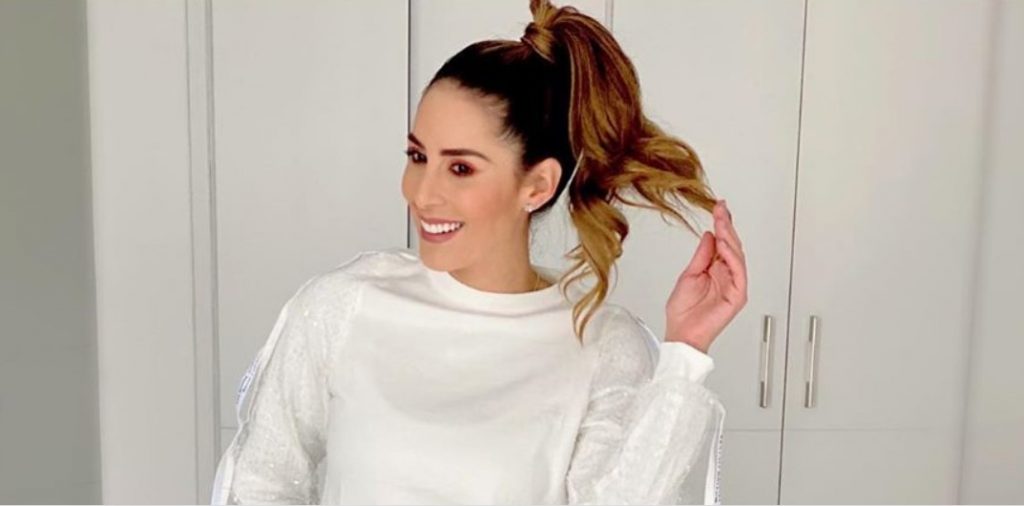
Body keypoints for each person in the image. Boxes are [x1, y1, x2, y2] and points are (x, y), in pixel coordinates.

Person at [210, 0, 747, 503]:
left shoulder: (600, 343)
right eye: (418, 156)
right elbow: (261, 479)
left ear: (537, 185)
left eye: (461, 168)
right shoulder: (342, 306)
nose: (422, 193)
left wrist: (685, 353)